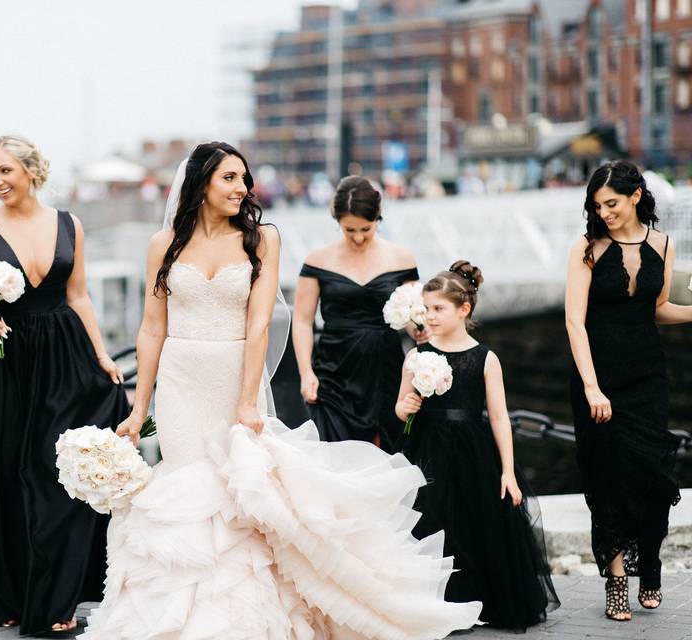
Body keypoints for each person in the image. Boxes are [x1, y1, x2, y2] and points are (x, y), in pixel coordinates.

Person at [80, 142, 482, 639]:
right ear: (201, 182)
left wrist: (248, 399)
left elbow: (258, 326)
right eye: (229, 178)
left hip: (233, 375)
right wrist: (139, 409)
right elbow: (151, 327)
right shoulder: (163, 243)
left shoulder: (260, 239)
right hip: (181, 382)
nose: (241, 188)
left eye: (243, 178)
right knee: (185, 486)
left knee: (234, 492)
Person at [0, 135, 129, 635]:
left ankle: (58, 590)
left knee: (58, 472)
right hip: (0, 359)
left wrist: (101, 354)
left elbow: (79, 296)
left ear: (30, 171)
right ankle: (4, 591)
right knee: (3, 470)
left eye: (5, 171)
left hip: (63, 357)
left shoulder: (70, 224)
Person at [396, 261, 560, 630]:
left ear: (463, 309)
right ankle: (438, 603)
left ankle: (479, 601)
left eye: (438, 309)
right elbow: (400, 404)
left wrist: (507, 472)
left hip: (471, 449)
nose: (430, 317)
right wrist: (404, 406)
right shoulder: (416, 355)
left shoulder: (485, 358)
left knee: (475, 525)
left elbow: (499, 417)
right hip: (427, 447)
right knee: (432, 522)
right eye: (426, 309)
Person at [565, 160, 691, 621]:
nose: (604, 212)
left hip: (647, 377)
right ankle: (617, 580)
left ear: (636, 195)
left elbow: (657, 309)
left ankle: (651, 567)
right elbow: (574, 322)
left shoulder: (663, 244)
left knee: (655, 478)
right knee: (607, 479)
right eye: (598, 205)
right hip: (598, 379)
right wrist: (593, 387)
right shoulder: (587, 247)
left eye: (612, 203)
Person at [294, 176, 421, 450]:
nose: (359, 237)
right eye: (349, 230)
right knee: (335, 453)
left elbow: (413, 316)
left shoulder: (402, 258)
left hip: (386, 367)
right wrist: (306, 373)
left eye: (366, 228)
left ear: (378, 218)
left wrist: (421, 329)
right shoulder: (317, 260)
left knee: (388, 448)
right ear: (337, 221)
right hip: (335, 369)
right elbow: (303, 321)